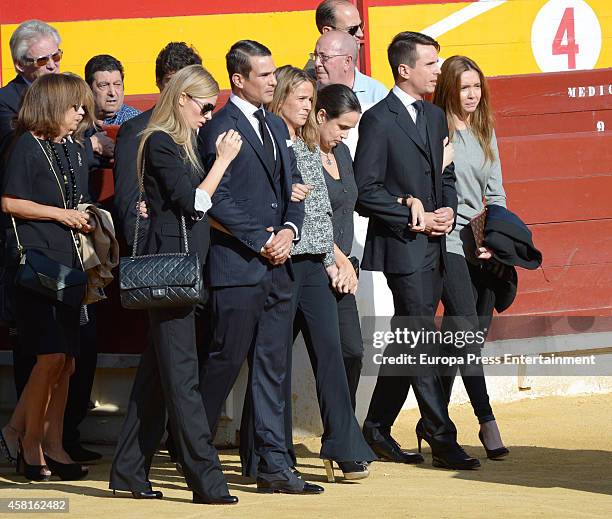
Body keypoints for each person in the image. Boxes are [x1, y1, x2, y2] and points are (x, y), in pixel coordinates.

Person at [109, 64, 240, 505]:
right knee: (182, 381)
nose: (207, 117)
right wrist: (221, 162)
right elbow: (193, 202)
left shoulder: (180, 143)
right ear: (182, 98)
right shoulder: (161, 142)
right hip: (170, 276)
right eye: (204, 107)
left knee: (155, 377)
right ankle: (206, 481)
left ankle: (128, 470)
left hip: (183, 273)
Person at [239, 66, 375, 483]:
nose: (308, 106)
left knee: (333, 353)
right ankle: (263, 452)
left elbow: (316, 213)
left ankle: (343, 445)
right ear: (280, 99)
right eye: (301, 99)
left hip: (314, 261)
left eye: (310, 100)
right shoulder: (271, 141)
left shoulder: (304, 144)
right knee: (272, 360)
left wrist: (334, 260)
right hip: (280, 262)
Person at [197, 40, 322, 495]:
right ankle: (192, 446)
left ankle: (272, 465)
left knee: (272, 368)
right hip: (237, 266)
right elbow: (217, 200)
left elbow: (294, 187)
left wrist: (289, 230)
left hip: (277, 265)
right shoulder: (219, 128)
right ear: (239, 79)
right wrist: (262, 238)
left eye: (273, 74)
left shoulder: (273, 125)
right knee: (224, 363)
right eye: (264, 75)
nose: (273, 81)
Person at [354, 31, 480, 469]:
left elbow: (445, 176)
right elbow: (364, 192)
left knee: (410, 337)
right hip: (402, 247)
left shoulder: (432, 116)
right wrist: (415, 215)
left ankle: (374, 427)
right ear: (404, 69)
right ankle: (441, 436)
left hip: (437, 245)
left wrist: (445, 209)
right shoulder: (377, 119)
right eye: (430, 63)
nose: (438, 71)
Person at [0, 73, 95, 481]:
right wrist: (61, 214)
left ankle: (50, 444)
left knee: (67, 364)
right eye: (74, 105)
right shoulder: (25, 145)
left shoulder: (73, 149)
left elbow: (76, 200)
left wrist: (88, 217)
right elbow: (9, 201)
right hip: (36, 267)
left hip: (71, 265)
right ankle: (30, 445)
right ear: (52, 106)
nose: (80, 113)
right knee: (49, 357)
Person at [432, 55, 509, 459]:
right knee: (464, 335)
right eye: (464, 87)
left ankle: (436, 426)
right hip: (445, 244)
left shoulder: (484, 129)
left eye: (477, 86)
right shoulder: (435, 127)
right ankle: (487, 420)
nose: (473, 94)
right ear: (449, 89)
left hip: (479, 248)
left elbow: (495, 194)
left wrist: (493, 240)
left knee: (461, 340)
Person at [113, 42, 202, 252]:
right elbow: (129, 200)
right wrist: (145, 250)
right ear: (158, 82)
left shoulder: (203, 126)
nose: (178, 91)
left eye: (185, 83)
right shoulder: (136, 129)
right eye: (171, 82)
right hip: (161, 250)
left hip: (205, 246)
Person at [315, 83, 365, 409]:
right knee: (272, 362)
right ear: (321, 116)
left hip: (343, 273)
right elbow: (310, 216)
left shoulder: (343, 153)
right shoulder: (303, 156)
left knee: (351, 352)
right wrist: (338, 259)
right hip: (312, 269)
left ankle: (340, 433)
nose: (345, 135)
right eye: (341, 127)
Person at [312, 31, 387, 109]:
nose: (317, 63)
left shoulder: (376, 96)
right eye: (315, 56)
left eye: (324, 57)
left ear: (347, 61)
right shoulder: (310, 95)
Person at [84, 54, 140, 125]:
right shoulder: (77, 117)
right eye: (104, 85)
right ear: (89, 89)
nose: (112, 93)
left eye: (117, 84)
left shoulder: (136, 122)